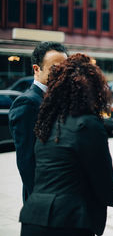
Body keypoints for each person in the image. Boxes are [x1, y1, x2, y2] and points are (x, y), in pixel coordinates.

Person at [19, 53, 113, 236]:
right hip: (69, 223)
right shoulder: (88, 125)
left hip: (32, 220)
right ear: (93, 89)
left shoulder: (47, 123)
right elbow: (105, 191)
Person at [9, 41, 68, 202]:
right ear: (37, 69)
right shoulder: (27, 103)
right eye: (55, 69)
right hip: (45, 200)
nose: (62, 74)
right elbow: (27, 161)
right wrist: (42, 201)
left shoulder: (60, 98)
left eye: (65, 69)